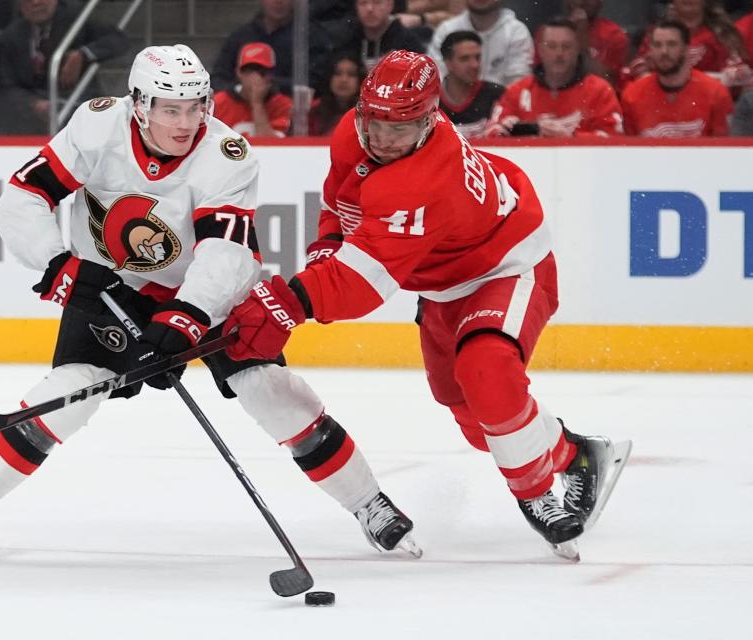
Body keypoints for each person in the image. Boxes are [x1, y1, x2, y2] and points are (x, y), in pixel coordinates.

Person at [0, 44, 420, 562]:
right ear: (139, 103)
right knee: (72, 393)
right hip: (116, 287)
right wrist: (56, 266)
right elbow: (23, 197)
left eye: (195, 105)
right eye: (170, 108)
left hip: (213, 294)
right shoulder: (96, 127)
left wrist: (188, 317)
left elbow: (222, 252)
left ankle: (370, 503)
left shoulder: (228, 155)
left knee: (269, 390)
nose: (186, 122)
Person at [222, 50, 630, 558]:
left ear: (432, 116)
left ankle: (538, 496)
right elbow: (338, 206)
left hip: (508, 265)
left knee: (488, 373)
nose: (384, 139)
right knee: (476, 421)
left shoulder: (425, 177)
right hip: (443, 285)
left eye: (403, 127)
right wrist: (325, 249)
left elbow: (361, 284)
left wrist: (288, 301)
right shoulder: (354, 134)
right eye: (376, 123)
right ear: (362, 111)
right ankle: (576, 453)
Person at [0, 0, 132, 133]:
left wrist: (83, 54)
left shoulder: (77, 20)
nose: (36, 2)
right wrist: (33, 103)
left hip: (81, 109)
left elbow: (118, 40)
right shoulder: (11, 36)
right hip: (32, 121)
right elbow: (8, 84)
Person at [487, 17, 622, 138]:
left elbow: (614, 140)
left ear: (577, 49)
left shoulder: (600, 91)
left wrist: (571, 138)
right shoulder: (517, 91)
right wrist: (510, 130)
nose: (559, 53)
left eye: (566, 46)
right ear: (539, 50)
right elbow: (490, 134)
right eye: (551, 46)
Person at [621, 20, 733, 137]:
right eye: (657, 45)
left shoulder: (716, 93)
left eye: (672, 44)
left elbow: (724, 148)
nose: (664, 52)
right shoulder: (632, 95)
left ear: (686, 49)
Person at [212, 0, 334, 95]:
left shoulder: (311, 37)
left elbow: (317, 83)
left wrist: (269, 86)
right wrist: (242, 89)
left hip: (291, 114)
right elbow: (218, 78)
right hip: (242, 112)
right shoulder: (241, 37)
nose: (278, 1)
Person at [427, 0, 533, 85]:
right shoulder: (446, 30)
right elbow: (434, 81)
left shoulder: (516, 32)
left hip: (501, 108)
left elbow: (518, 85)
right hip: (452, 108)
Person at [212, 42, 293, 137]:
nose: (254, 78)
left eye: (261, 72)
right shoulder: (218, 102)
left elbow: (271, 147)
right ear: (238, 73)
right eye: (248, 71)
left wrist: (257, 104)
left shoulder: (283, 105)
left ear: (271, 75)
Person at [438, 30, 504, 138]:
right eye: (465, 59)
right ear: (448, 63)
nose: (475, 65)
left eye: (478, 57)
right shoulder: (431, 100)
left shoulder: (497, 95)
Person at [335, 0, 426, 72]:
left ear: (390, 5)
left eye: (377, 2)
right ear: (356, 7)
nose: (369, 9)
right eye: (363, 3)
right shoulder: (347, 40)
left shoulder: (408, 42)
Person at [309, 52, 366, 136]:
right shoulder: (314, 109)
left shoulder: (368, 112)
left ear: (360, 79)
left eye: (351, 74)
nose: (344, 80)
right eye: (337, 73)